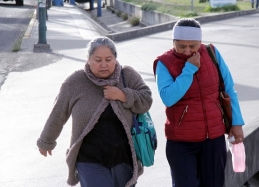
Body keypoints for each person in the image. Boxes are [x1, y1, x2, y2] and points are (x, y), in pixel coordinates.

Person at [37, 36, 153, 187]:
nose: (103, 64)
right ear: (88, 59)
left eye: (108, 59)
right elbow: (58, 113)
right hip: (88, 159)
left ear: (115, 59)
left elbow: (146, 100)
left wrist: (122, 95)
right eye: (98, 60)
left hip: (123, 156)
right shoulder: (75, 81)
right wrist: (46, 141)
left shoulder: (127, 76)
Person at [153, 18, 245, 187]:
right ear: (173, 42)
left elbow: (229, 89)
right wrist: (189, 69)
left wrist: (237, 122)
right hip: (181, 142)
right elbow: (168, 97)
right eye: (181, 46)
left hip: (213, 139)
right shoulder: (163, 63)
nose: (187, 51)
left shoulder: (212, 53)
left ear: (200, 42)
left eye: (193, 46)